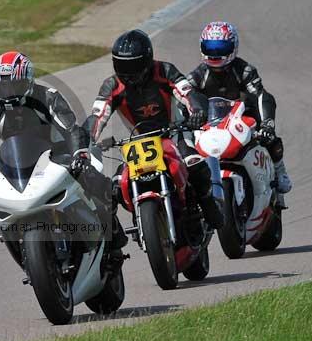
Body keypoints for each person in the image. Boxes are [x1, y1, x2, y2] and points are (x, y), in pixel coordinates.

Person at [0, 51, 127, 250]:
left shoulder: (48, 97)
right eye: (2, 86)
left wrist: (79, 154)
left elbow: (71, 129)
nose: (9, 92)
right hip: (19, 165)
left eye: (15, 85)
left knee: (89, 176)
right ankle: (25, 249)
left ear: (28, 81)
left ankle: (112, 227)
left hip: (57, 155)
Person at [83, 29, 224, 230]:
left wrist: (197, 111)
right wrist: (86, 140)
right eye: (123, 66)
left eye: (134, 65)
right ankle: (114, 232)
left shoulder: (165, 71)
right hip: (139, 142)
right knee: (115, 185)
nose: (129, 72)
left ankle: (208, 205)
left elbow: (186, 92)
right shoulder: (112, 85)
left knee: (194, 163)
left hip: (175, 133)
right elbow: (98, 115)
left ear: (147, 60)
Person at [187, 21, 292, 206]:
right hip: (211, 124)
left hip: (243, 119)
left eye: (221, 48)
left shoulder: (244, 70)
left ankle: (280, 170)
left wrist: (267, 123)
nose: (215, 54)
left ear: (233, 47)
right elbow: (185, 97)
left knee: (269, 136)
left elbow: (261, 96)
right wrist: (191, 118)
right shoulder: (197, 75)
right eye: (210, 48)